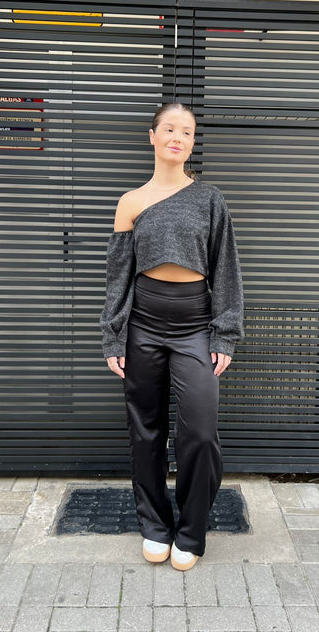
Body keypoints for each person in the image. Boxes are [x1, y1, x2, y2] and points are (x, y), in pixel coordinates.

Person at [99, 103, 244, 571]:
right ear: (153, 136)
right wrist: (113, 336)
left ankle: (191, 531)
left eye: (187, 131)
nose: (177, 137)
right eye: (169, 129)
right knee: (145, 431)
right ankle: (155, 526)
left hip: (194, 325)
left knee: (199, 431)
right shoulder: (131, 201)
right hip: (142, 324)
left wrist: (224, 334)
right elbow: (118, 278)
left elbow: (226, 269)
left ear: (192, 141)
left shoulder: (209, 199)